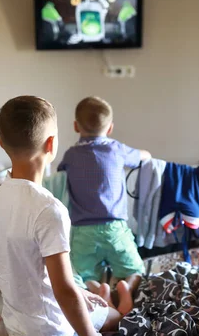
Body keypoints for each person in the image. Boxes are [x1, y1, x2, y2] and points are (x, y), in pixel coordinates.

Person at [0, 96, 123, 336]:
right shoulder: (49, 209)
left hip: (17, 323)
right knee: (114, 322)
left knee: (111, 317)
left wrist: (81, 294)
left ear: (1, 142)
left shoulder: (1, 194)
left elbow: (30, 267)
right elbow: (62, 289)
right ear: (51, 144)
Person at [58, 96, 151, 315]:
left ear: (75, 126)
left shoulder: (70, 155)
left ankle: (99, 289)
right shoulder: (116, 149)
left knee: (82, 273)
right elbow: (143, 157)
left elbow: (61, 175)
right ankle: (126, 286)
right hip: (115, 228)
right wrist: (146, 155)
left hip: (82, 231)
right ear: (110, 128)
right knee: (135, 267)